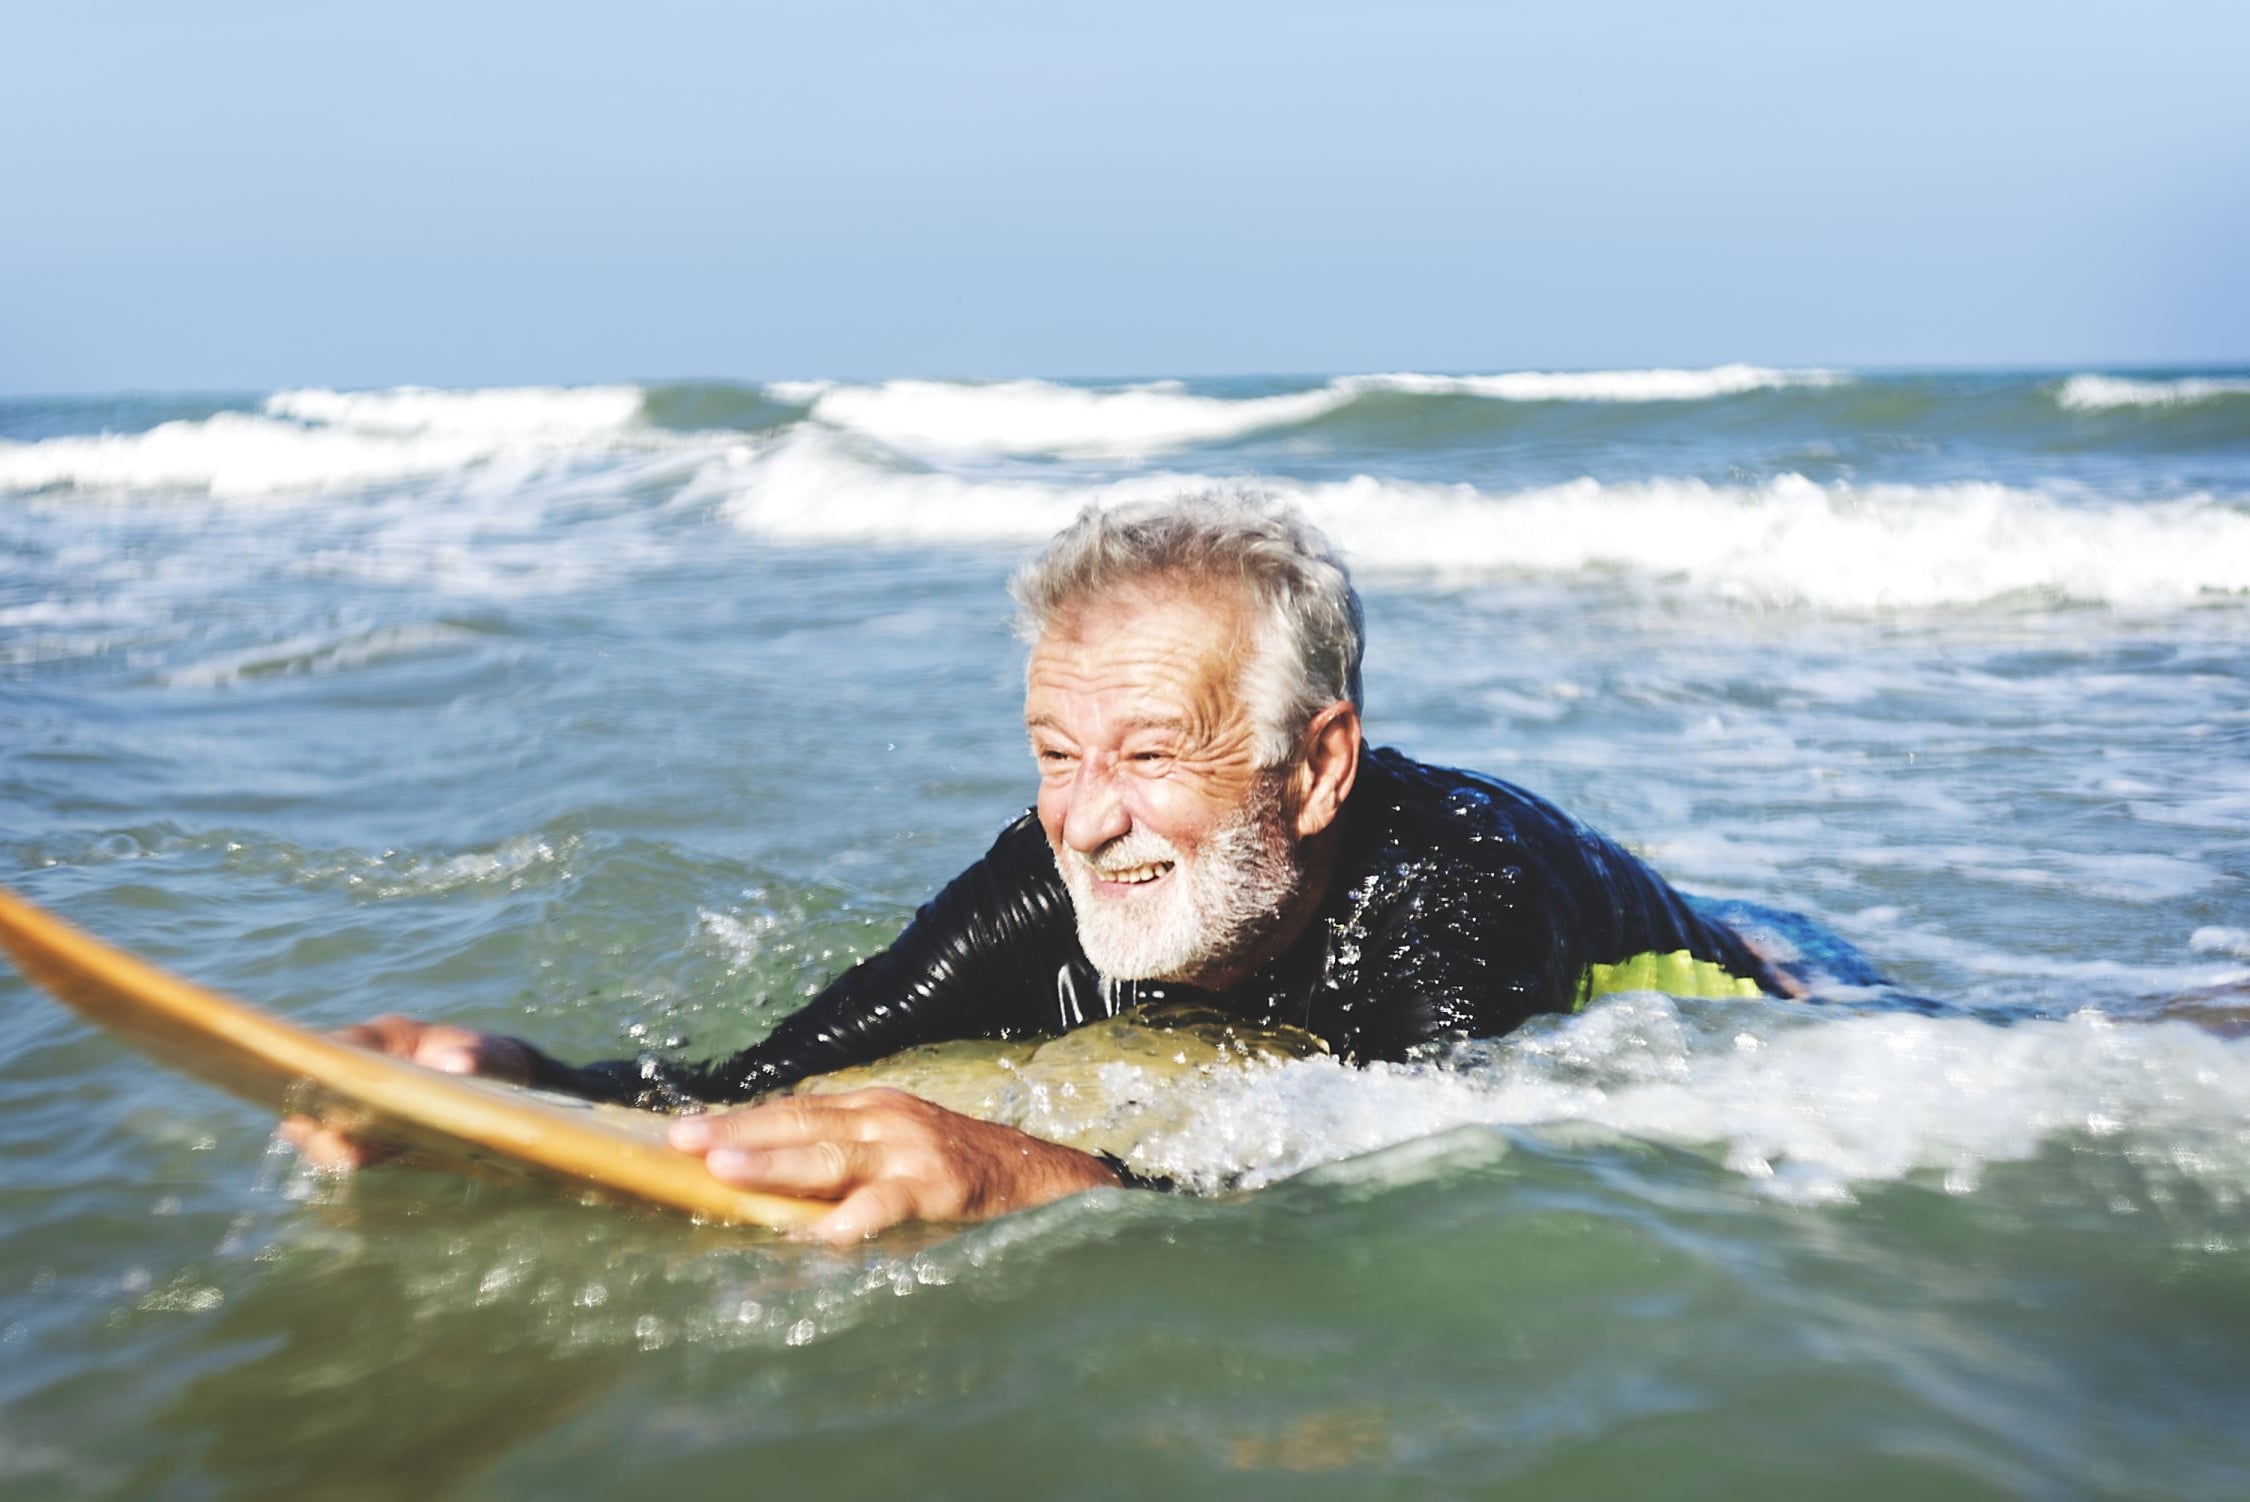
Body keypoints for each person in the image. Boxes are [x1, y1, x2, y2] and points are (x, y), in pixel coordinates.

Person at [288, 494, 1812, 1241]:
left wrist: (1039, 1175)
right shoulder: (1059, 867)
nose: (1085, 818)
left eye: (1149, 754)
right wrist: (521, 1083)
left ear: (1318, 762)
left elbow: (1390, 1198)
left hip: (1758, 987)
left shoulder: (1452, 899)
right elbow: (766, 1073)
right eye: (1053, 752)